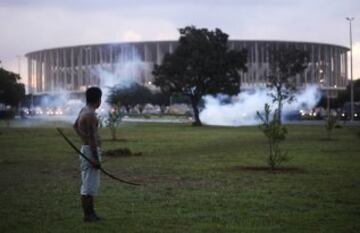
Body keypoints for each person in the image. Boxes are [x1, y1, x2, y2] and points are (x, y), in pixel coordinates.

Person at [73, 87, 102, 222]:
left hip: (87, 149)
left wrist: (83, 139)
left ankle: (91, 213)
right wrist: (95, 158)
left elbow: (75, 126)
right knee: (88, 186)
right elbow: (92, 138)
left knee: (89, 183)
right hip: (90, 151)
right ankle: (88, 215)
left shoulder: (84, 110)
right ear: (98, 99)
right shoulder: (90, 115)